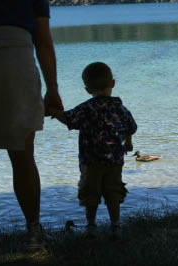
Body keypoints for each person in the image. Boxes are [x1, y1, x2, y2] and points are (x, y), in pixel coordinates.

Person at [0, 0, 63, 250]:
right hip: (15, 59)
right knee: (23, 155)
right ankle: (33, 230)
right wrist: (53, 90)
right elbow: (43, 42)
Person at [48, 62, 137, 238]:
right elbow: (131, 126)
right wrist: (128, 142)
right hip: (114, 161)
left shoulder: (86, 108)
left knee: (90, 193)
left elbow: (69, 119)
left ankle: (91, 225)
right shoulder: (120, 107)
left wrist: (52, 110)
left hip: (91, 160)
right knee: (113, 191)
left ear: (87, 89)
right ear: (112, 83)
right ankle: (115, 224)